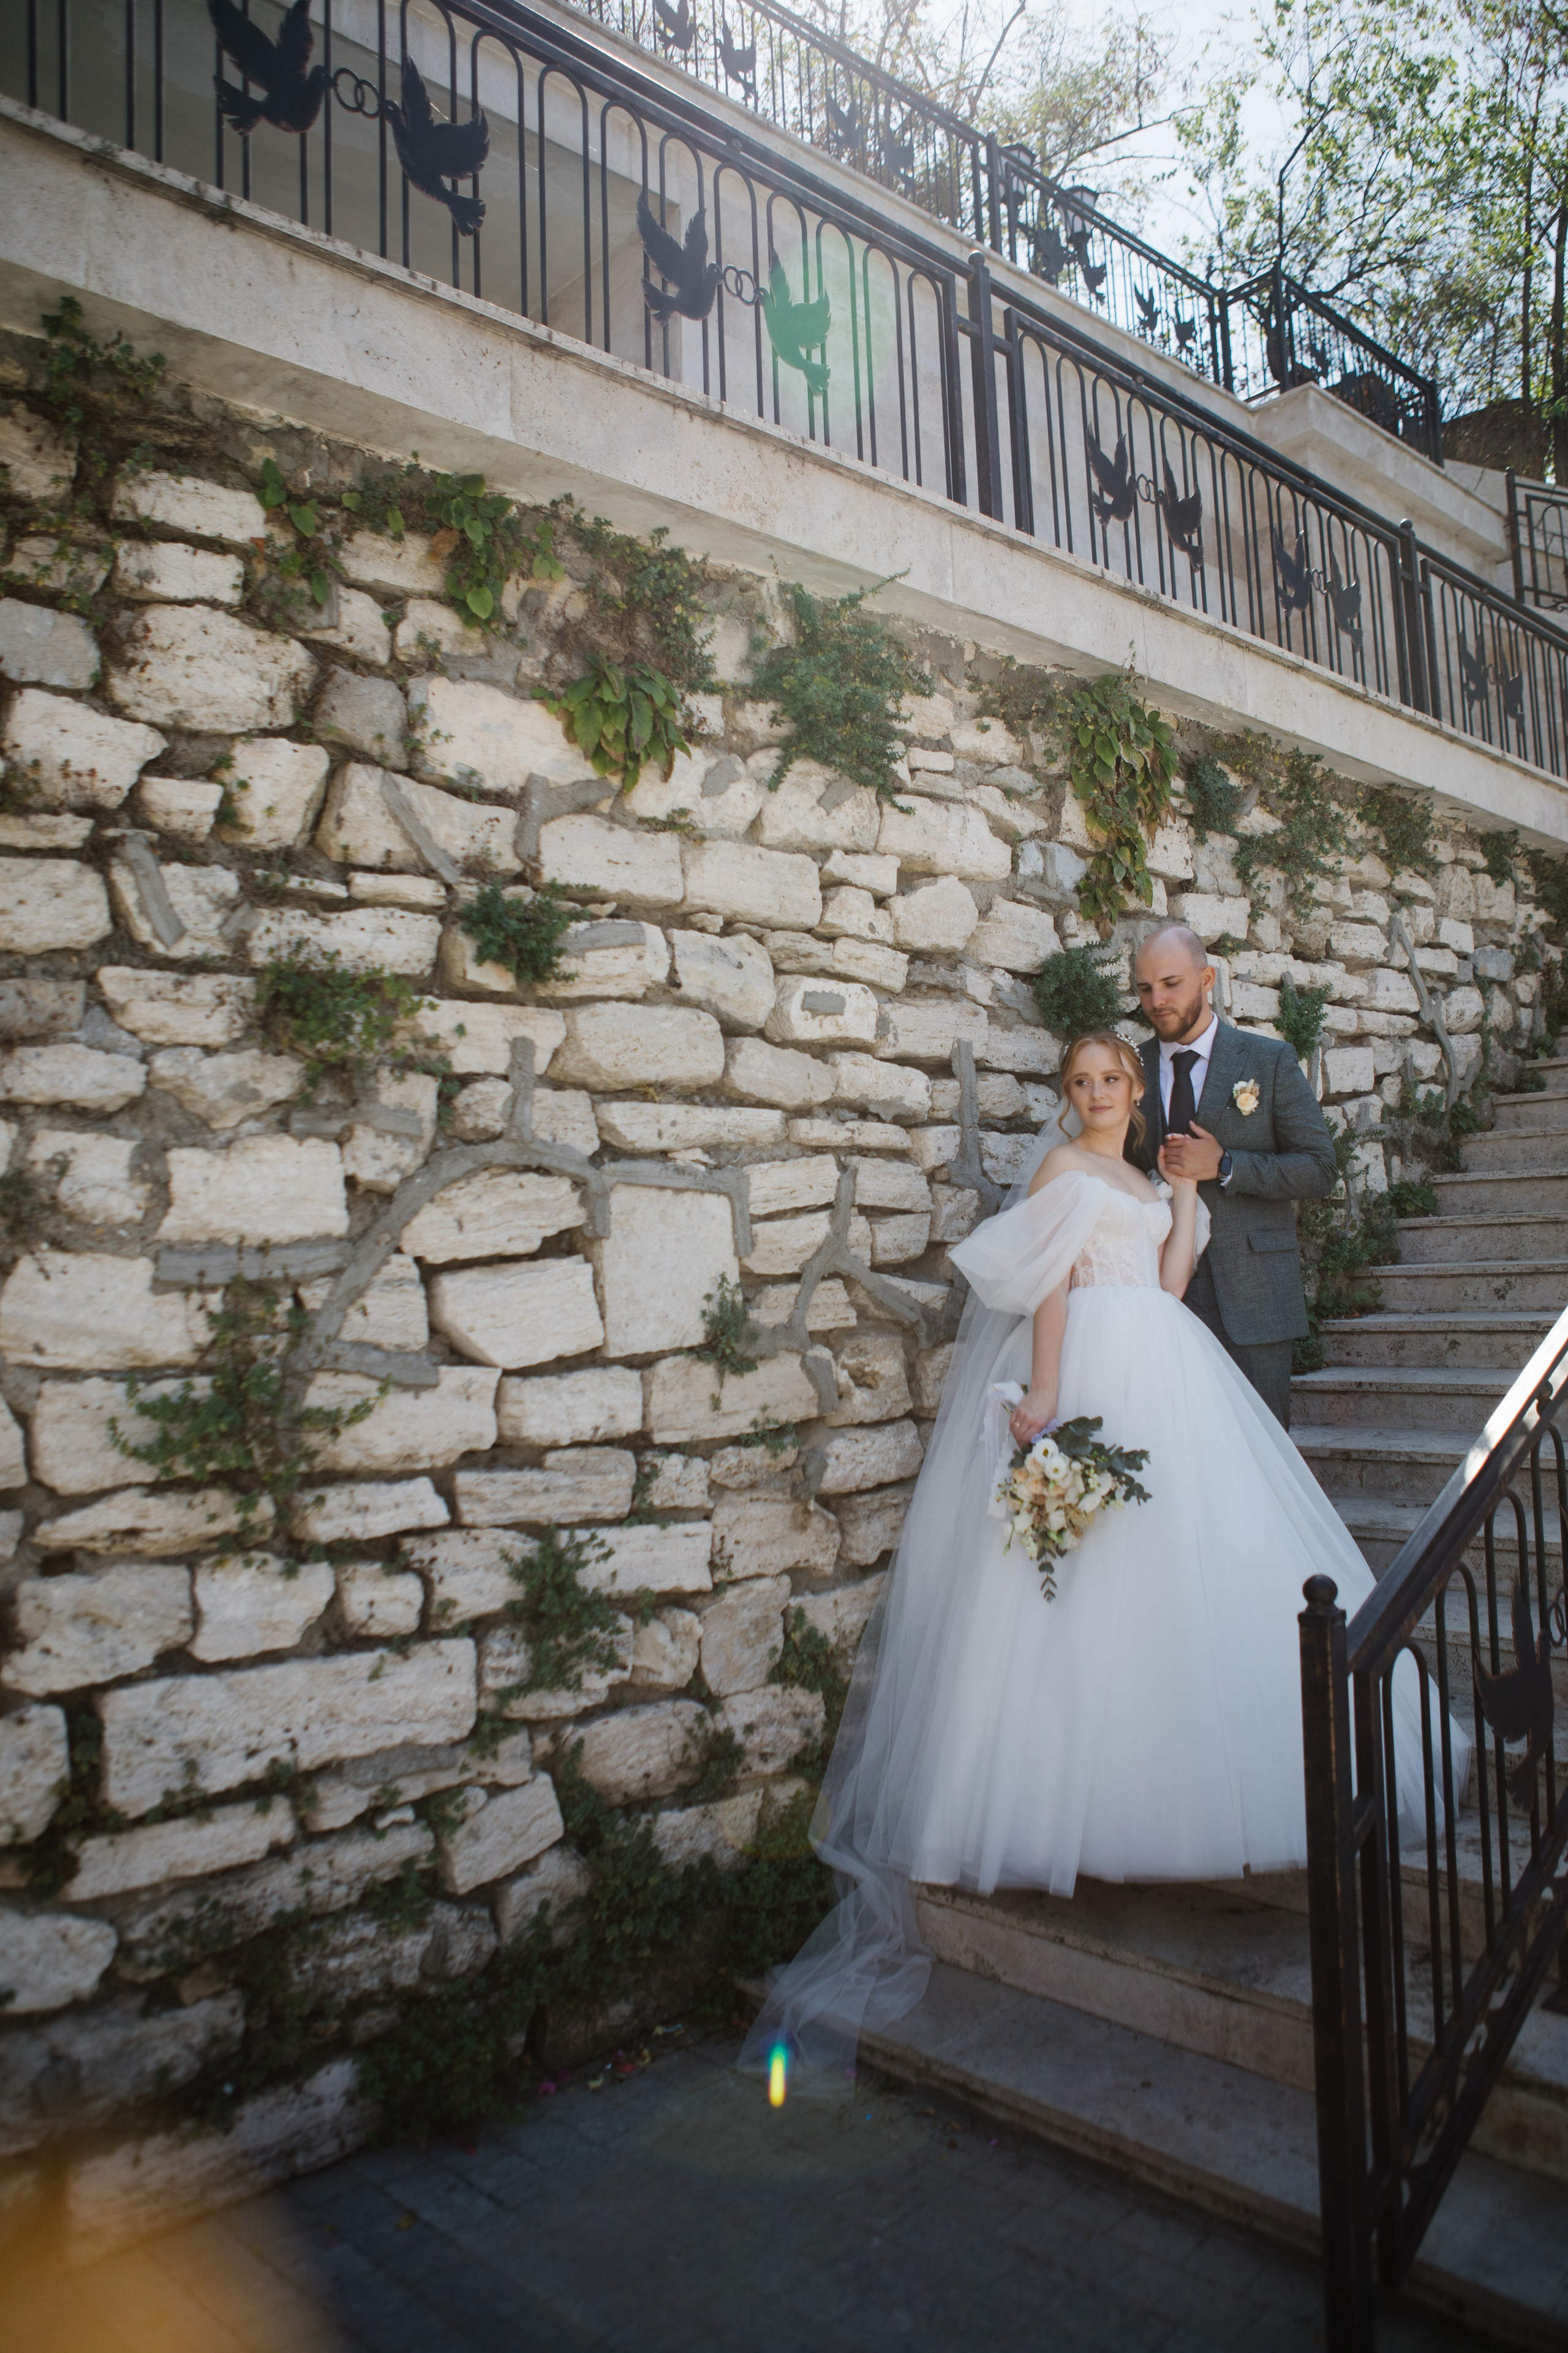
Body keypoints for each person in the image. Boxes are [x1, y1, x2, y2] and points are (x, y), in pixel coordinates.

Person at [742, 1030, 1469, 2087]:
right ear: (1072, 1093)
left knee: (1195, 1562)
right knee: (1082, 1573)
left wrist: (1182, 1201)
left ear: (1135, 1090)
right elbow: (1047, 1284)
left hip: (1168, 1358)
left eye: (1108, 1081)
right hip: (1089, 1360)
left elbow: (1173, 1285)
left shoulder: (1138, 1168)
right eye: (1079, 1082)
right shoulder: (1062, 1169)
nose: (1093, 1094)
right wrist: (1045, 1394)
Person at [1126, 923, 1337, 1427]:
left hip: (1254, 1296)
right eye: (1144, 988)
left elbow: (1320, 1167)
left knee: (1264, 1457)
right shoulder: (1128, 1066)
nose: (1157, 1000)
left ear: (1207, 978)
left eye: (1171, 983)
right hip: (1155, 1294)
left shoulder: (1268, 1061)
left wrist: (1226, 1166)